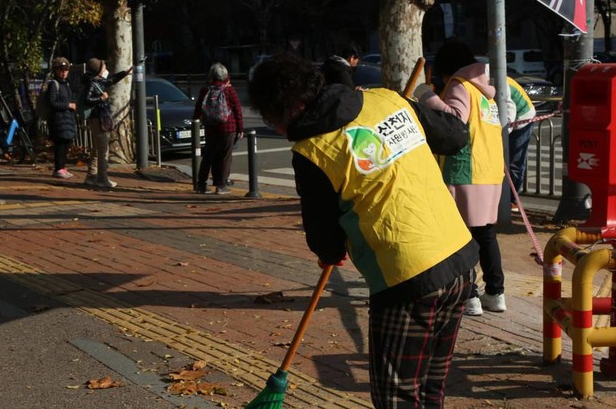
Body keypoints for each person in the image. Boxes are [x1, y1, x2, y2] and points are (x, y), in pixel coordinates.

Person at [248, 53, 478, 408]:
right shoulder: (386, 99)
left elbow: (324, 236)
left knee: (397, 397)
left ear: (289, 109)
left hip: (408, 277)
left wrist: (330, 252)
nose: (275, 127)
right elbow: (455, 137)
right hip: (460, 259)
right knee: (430, 388)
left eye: (270, 118)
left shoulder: (312, 151)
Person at [414, 39, 506, 317]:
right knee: (486, 235)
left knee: (460, 236)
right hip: (489, 171)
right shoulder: (484, 91)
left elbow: (454, 120)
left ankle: (470, 295)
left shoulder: (459, 85)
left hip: (464, 170)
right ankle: (496, 293)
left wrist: (425, 97)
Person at [81, 58, 133, 188]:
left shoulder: (97, 81)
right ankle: (102, 178)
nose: (105, 69)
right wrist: (101, 98)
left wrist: (125, 73)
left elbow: (110, 80)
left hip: (97, 118)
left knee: (96, 149)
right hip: (98, 119)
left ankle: (91, 176)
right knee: (103, 150)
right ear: (98, 70)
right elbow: (88, 99)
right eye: (103, 67)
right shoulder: (93, 83)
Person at [193, 63, 243, 195]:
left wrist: (195, 120)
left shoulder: (205, 90)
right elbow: (237, 110)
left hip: (210, 127)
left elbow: (198, 107)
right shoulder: (229, 90)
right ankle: (221, 186)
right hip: (228, 127)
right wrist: (240, 128)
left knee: (208, 156)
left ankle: (201, 185)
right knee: (225, 156)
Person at [506, 76, 536, 212]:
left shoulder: (499, 82)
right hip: (510, 120)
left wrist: (501, 134)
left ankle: (512, 200)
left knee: (515, 161)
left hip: (523, 118)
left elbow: (509, 111)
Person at [47, 57, 77, 179]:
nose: (64, 72)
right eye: (61, 69)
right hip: (58, 120)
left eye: (66, 69)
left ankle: (62, 167)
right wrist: (67, 105)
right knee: (60, 144)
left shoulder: (67, 84)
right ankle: (58, 168)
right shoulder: (54, 84)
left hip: (67, 119)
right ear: (56, 70)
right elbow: (52, 103)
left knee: (66, 143)